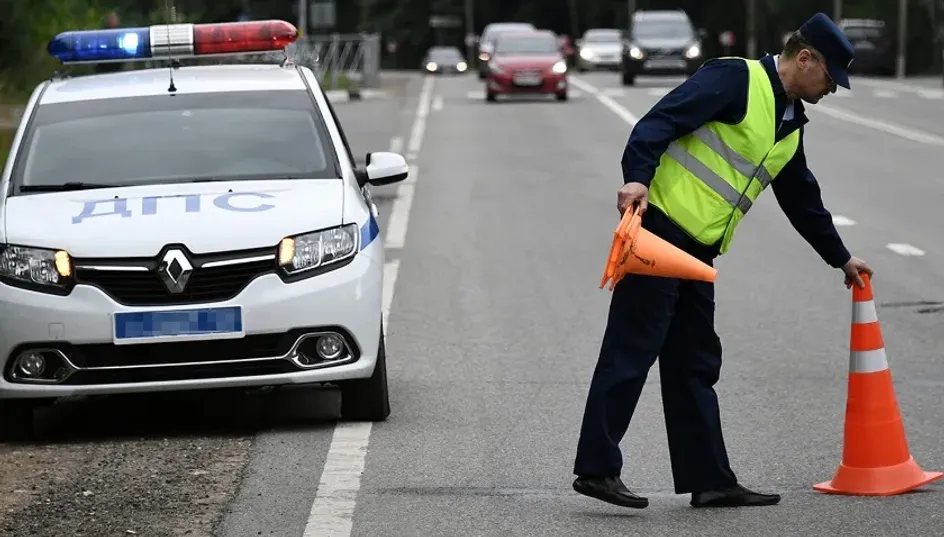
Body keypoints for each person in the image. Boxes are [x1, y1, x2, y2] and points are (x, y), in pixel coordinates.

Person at [572, 12, 875, 509]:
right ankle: (597, 470)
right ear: (805, 58)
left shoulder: (789, 124)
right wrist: (637, 177)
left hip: (698, 253)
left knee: (694, 362)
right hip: (660, 236)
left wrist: (840, 258)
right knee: (631, 350)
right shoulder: (736, 78)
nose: (832, 90)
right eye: (830, 78)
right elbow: (658, 121)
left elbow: (802, 199)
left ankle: (710, 479)